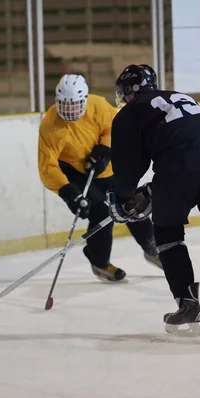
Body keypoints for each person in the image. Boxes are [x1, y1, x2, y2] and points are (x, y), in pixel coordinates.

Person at [106, 64, 200, 339]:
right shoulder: (179, 96)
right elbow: (187, 141)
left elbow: (129, 165)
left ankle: (188, 304)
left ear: (128, 91)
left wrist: (124, 197)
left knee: (166, 231)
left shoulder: (131, 111)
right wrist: (155, 189)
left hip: (181, 166)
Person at [38, 73, 162, 282]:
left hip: (107, 167)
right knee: (101, 212)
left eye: (74, 104)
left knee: (131, 204)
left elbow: (115, 127)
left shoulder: (98, 106)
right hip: (75, 172)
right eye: (64, 105)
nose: (69, 110)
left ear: (85, 100)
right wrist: (69, 193)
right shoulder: (50, 125)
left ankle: (152, 249)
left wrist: (105, 148)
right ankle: (100, 262)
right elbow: (47, 166)